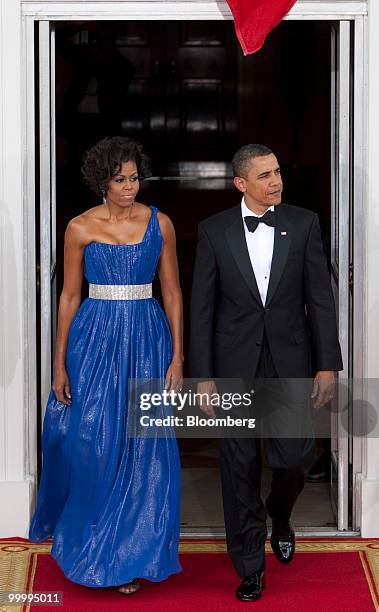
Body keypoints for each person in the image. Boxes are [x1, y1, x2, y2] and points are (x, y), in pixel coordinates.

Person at [29, 136, 184, 595]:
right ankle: (89, 546)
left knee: (145, 447)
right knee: (93, 444)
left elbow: (173, 292)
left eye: (135, 178)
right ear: (102, 182)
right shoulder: (79, 227)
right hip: (93, 340)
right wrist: (58, 364)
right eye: (120, 180)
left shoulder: (161, 223)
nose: (130, 187)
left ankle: (134, 555)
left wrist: (178, 355)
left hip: (147, 337)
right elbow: (69, 296)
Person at [189, 144, 342, 602]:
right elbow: (202, 310)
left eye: (277, 172)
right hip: (233, 365)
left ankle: (281, 513)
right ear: (241, 184)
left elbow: (321, 300)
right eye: (265, 175)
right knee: (238, 468)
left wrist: (326, 365)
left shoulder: (303, 222)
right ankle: (250, 565)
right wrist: (205, 376)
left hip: (289, 363)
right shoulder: (213, 231)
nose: (276, 181)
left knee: (294, 458)